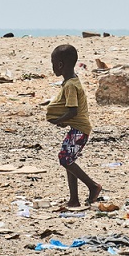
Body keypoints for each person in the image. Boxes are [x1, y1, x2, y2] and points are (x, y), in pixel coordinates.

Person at [46, 44, 102, 207]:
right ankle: (74, 200)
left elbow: (73, 110)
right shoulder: (72, 80)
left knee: (65, 159)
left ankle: (93, 186)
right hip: (76, 129)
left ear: (61, 65)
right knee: (68, 160)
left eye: (53, 63)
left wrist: (58, 120)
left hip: (80, 130)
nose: (53, 67)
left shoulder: (70, 85)